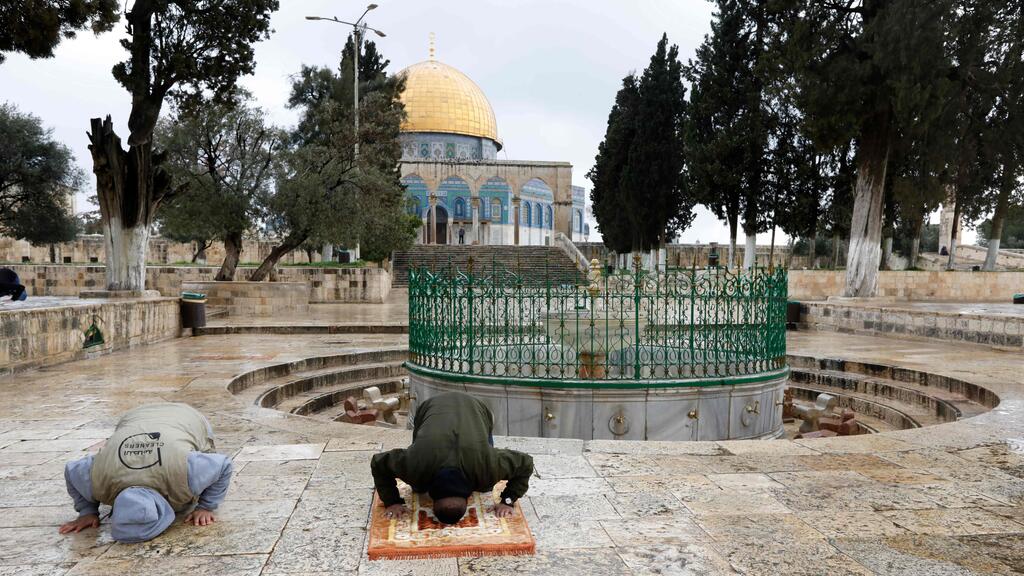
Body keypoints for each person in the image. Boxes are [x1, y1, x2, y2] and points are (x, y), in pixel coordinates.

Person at [59, 403, 233, 543]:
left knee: (205, 452)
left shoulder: (182, 472)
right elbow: (71, 471)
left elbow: (223, 464)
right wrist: (87, 511)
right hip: (133, 416)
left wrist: (206, 507)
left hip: (190, 417)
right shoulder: (100, 481)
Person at [370, 391, 533, 525]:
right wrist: (508, 499)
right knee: (420, 486)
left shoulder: (487, 469)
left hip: (473, 407)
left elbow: (526, 463)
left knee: (484, 486)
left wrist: (508, 500)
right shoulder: (486, 469)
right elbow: (378, 463)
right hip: (433, 408)